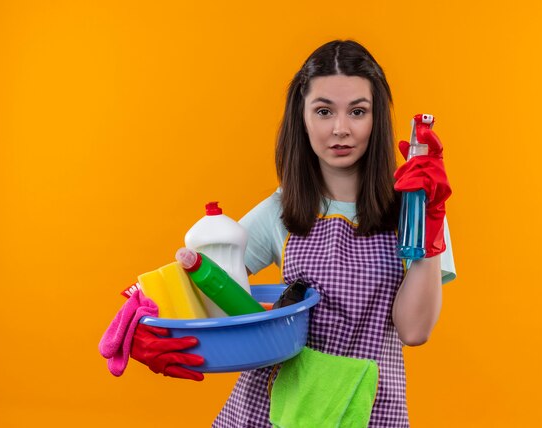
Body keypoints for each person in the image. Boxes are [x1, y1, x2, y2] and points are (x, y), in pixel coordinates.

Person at [130, 39, 455, 427]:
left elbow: (414, 330)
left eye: (357, 111)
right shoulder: (280, 211)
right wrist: (142, 319)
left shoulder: (418, 208)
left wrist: (430, 224)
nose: (340, 129)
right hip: (275, 410)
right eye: (323, 111)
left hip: (366, 409)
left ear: (376, 119)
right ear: (301, 118)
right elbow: (207, 283)